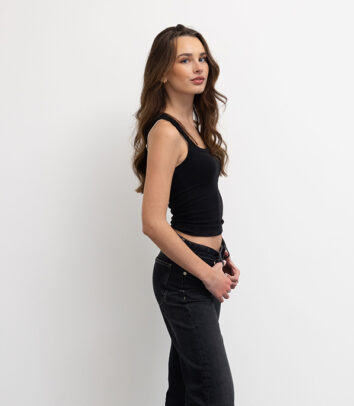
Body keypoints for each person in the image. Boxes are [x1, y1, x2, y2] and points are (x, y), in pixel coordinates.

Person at [131, 24, 240, 406]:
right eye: (185, 59)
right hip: (185, 277)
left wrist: (221, 255)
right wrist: (207, 274)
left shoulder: (193, 127)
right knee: (215, 396)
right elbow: (152, 222)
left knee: (185, 393)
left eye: (202, 58)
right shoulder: (166, 131)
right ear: (163, 72)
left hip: (203, 267)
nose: (198, 67)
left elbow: (199, 204)